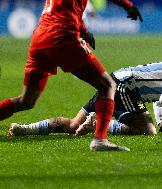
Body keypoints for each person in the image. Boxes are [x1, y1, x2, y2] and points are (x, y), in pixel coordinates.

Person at [0, 0, 143, 151]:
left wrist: (84, 30)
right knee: (107, 85)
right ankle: (100, 140)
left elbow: (65, 9)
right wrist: (128, 5)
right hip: (62, 36)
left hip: (40, 37)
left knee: (26, 101)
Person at [8, 47, 162, 138]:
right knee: (146, 130)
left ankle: (24, 129)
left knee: (74, 125)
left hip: (113, 81)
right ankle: (96, 124)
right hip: (124, 87)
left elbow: (159, 101)